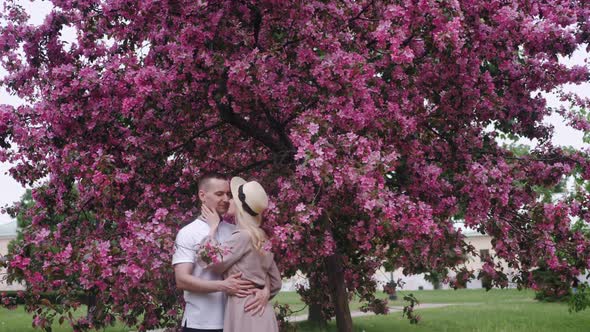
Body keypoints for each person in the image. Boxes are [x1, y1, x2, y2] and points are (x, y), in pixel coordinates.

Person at [173, 173, 270, 332]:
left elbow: (260, 267)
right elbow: (182, 280)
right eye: (219, 194)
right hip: (201, 324)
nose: (226, 199)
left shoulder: (237, 232)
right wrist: (223, 286)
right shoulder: (188, 233)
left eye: (228, 194)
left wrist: (265, 289)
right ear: (202, 195)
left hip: (236, 322)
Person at [199, 177, 282, 332]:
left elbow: (209, 261)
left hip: (245, 311)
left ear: (239, 205)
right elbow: (276, 282)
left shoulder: (241, 237)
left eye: (232, 197)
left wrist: (212, 228)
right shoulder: (261, 236)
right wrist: (265, 291)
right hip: (263, 312)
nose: (228, 200)